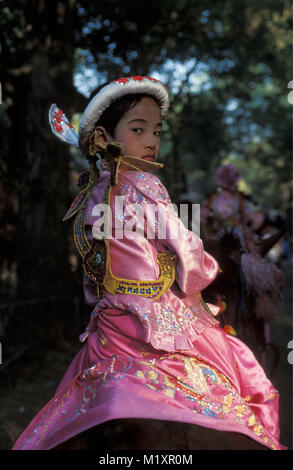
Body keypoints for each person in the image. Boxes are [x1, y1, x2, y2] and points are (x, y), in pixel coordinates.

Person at [13, 76, 285, 450]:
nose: (152, 139)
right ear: (105, 136)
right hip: (158, 313)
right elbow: (183, 242)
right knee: (239, 362)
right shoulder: (146, 183)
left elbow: (94, 269)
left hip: (113, 320)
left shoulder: (92, 190)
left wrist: (104, 301)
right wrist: (205, 271)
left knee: (75, 389)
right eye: (138, 129)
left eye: (156, 130)